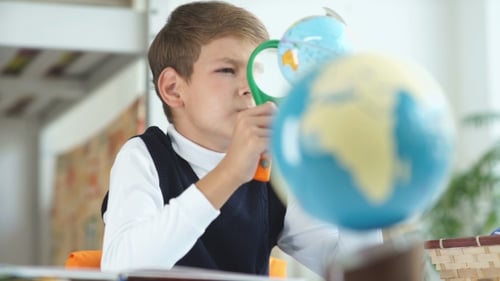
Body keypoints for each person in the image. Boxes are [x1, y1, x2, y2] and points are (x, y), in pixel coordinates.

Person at [100, 1, 382, 278]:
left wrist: (350, 186)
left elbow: (361, 273)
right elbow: (121, 268)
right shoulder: (143, 157)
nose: (250, 87)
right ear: (173, 89)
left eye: (256, 71)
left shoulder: (276, 169)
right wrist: (231, 172)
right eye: (227, 70)